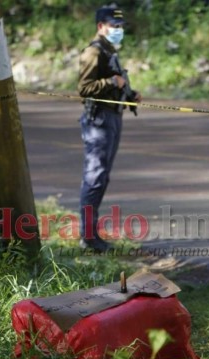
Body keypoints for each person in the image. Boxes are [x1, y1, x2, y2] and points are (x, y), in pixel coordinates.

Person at [77, 4, 142, 251]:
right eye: (114, 26)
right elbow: (84, 88)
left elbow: (113, 85)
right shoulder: (94, 52)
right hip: (99, 121)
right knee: (94, 177)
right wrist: (111, 81)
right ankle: (88, 237)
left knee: (102, 177)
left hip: (113, 117)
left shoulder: (108, 49)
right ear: (100, 27)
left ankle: (92, 235)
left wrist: (129, 94)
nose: (118, 30)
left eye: (121, 26)